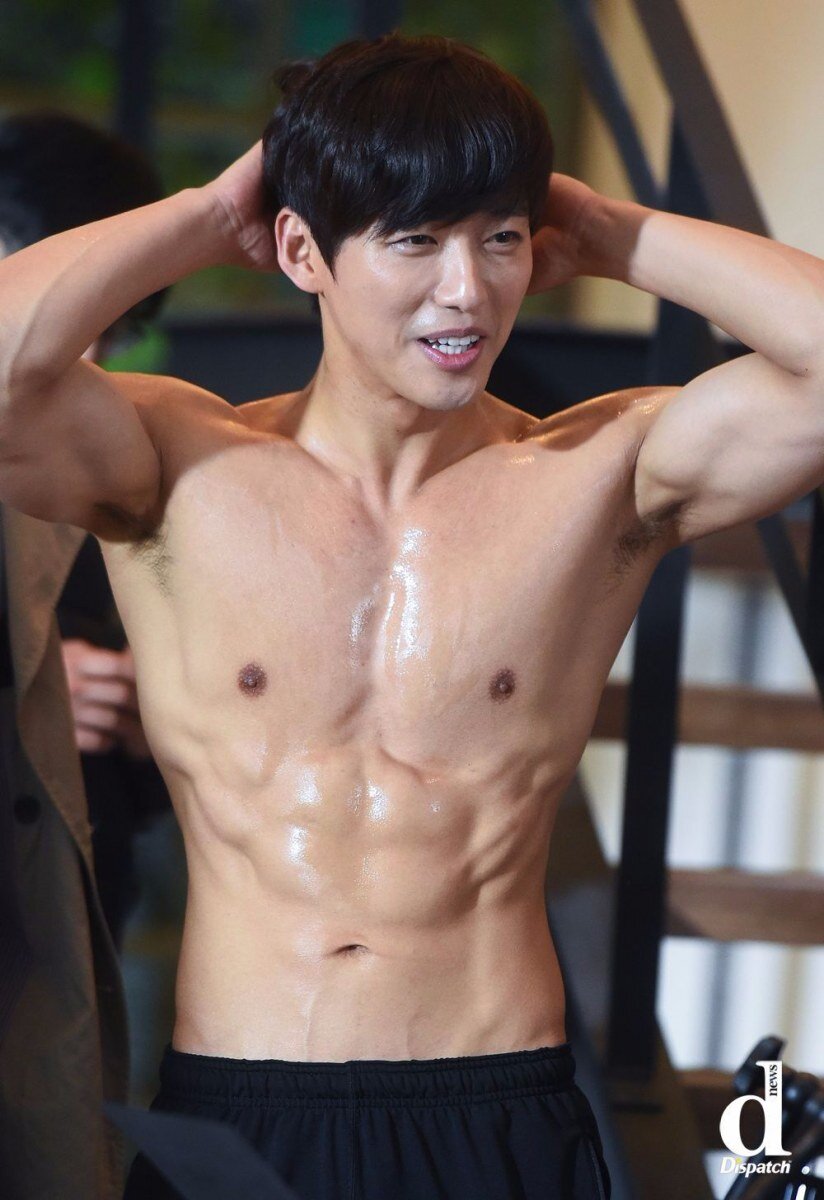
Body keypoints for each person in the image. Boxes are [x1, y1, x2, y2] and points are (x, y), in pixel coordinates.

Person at [0, 29, 822, 1199]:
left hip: (495, 1104)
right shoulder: (173, 466)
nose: (465, 290)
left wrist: (605, 230)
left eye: (498, 237)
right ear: (302, 249)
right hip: (245, 1109)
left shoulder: (597, 477)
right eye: (414, 239)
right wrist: (207, 213)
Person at [0, 109, 170, 1199]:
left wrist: (163, 710)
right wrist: (32, 682)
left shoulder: (116, 454)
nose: (92, 360)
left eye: (117, 329)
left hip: (66, 933)